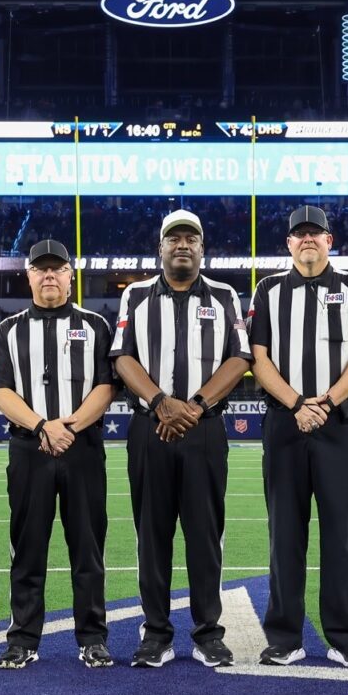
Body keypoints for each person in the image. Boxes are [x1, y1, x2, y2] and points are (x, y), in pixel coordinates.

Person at [110, 209, 252, 668]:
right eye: (174, 239)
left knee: (205, 534)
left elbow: (240, 358)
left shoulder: (225, 295)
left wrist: (193, 406)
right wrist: (159, 403)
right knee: (151, 535)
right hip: (150, 425)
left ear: (202, 247)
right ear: (161, 248)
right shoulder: (135, 294)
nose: (183, 245)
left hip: (203, 427)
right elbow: (122, 358)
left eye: (191, 238)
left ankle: (208, 631)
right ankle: (155, 632)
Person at [248, 205, 348, 667]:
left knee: (343, 535)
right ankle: (284, 637)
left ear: (330, 241)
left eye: (316, 233)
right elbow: (258, 358)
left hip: (339, 424)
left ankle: (346, 637)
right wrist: (296, 404)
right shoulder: (268, 289)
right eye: (299, 234)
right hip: (286, 425)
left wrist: (323, 403)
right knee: (284, 534)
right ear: (288, 244)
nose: (307, 240)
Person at [0, 239, 116, 669]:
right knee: (27, 549)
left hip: (81, 447)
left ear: (69, 276)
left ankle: (93, 638)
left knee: (88, 548)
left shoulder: (96, 325)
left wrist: (69, 427)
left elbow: (106, 386)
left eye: (56, 269)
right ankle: (23, 638)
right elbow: (0, 389)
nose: (48, 276)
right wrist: (43, 426)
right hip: (29, 448)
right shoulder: (8, 329)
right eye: (40, 269)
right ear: (28, 276)